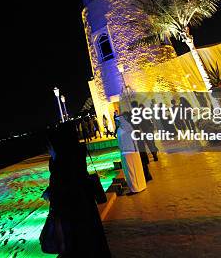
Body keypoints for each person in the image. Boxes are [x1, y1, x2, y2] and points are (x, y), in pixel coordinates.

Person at [42, 123, 111, 257]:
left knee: (76, 245)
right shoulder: (76, 154)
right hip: (86, 207)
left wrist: (50, 194)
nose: (48, 149)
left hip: (72, 213)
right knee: (92, 241)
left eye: (50, 146)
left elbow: (64, 186)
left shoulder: (61, 161)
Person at [114, 110, 147, 194]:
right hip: (133, 152)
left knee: (131, 171)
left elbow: (121, 143)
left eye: (117, 121)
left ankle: (135, 188)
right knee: (136, 170)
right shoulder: (128, 127)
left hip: (127, 153)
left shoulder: (121, 130)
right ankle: (140, 186)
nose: (116, 123)